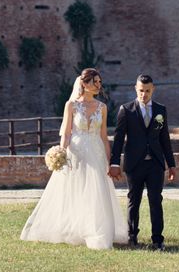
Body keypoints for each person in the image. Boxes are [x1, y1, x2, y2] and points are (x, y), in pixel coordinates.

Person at [20, 68, 128, 249]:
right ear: (84, 84)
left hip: (96, 152)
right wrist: (61, 153)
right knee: (75, 188)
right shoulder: (71, 105)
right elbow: (67, 133)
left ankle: (98, 232)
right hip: (76, 152)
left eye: (99, 82)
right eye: (95, 82)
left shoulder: (102, 108)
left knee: (97, 191)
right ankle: (74, 228)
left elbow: (103, 136)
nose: (98, 85)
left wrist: (110, 161)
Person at [109, 74, 176, 251]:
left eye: (147, 91)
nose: (144, 94)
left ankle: (157, 240)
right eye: (141, 91)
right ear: (135, 89)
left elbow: (165, 139)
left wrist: (171, 164)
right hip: (134, 164)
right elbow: (118, 139)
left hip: (155, 163)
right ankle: (132, 237)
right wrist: (114, 163)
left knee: (156, 200)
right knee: (134, 200)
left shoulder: (161, 110)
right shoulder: (126, 109)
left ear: (152, 89)